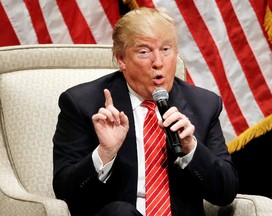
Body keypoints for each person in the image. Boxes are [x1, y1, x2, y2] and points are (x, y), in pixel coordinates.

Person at [52, 7, 238, 216]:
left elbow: (226, 193)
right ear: (122, 59)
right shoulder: (83, 103)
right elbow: (64, 190)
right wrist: (105, 153)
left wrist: (191, 149)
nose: (158, 62)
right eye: (144, 52)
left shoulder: (204, 105)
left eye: (166, 49)